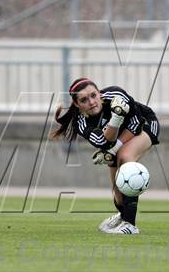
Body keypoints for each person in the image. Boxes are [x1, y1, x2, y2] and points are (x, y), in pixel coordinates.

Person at [53, 78, 160, 234]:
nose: (91, 102)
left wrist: (115, 148)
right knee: (118, 191)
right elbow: (104, 141)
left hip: (146, 124)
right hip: (114, 141)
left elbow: (137, 122)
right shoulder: (81, 122)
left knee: (125, 157)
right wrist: (116, 120)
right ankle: (123, 217)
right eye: (84, 100)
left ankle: (130, 225)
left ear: (99, 93)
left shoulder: (115, 95)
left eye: (93, 95)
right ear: (77, 104)